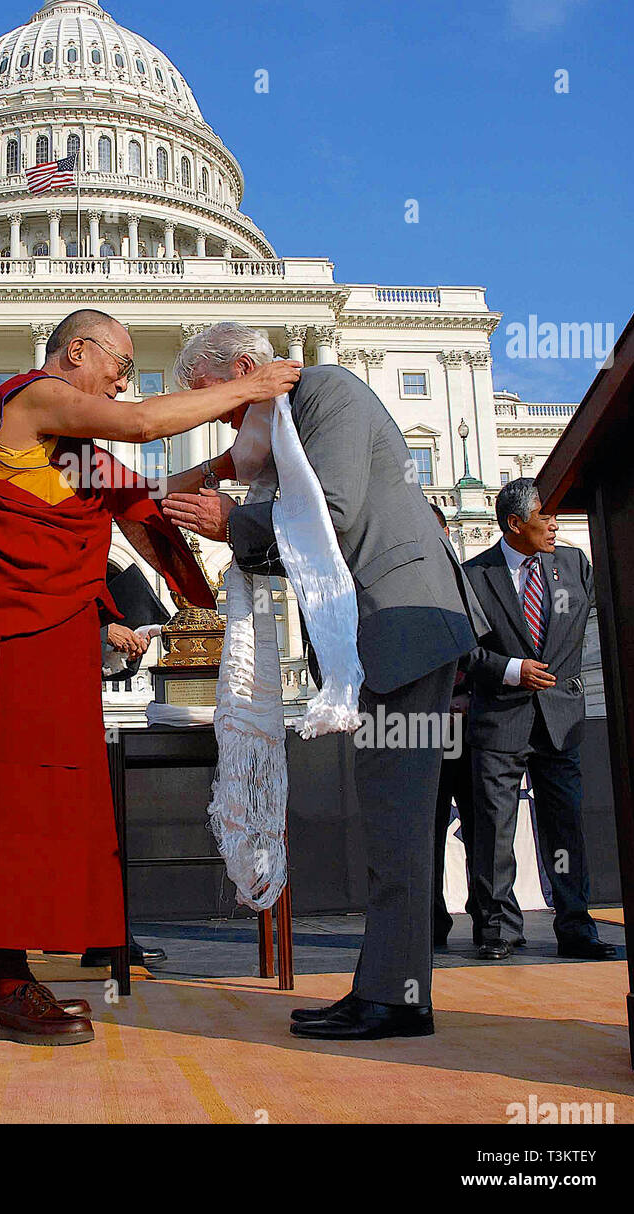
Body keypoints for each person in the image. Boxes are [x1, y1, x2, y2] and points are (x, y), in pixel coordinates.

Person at [0, 310, 300, 1045]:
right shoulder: (30, 399)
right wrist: (250, 385)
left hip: (48, 642)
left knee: (49, 800)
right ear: (77, 353)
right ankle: (1, 985)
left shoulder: (69, 456)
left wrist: (223, 496)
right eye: (120, 366)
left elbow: (144, 506)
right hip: (3, 638)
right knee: (9, 800)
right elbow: (142, 426)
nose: (125, 381)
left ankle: (9, 978)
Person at [161, 322, 489, 1040]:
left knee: (397, 820)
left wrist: (229, 522)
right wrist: (206, 486)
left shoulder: (327, 394)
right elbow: (298, 535)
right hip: (381, 632)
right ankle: (386, 987)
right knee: (391, 819)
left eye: (211, 398)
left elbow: (328, 516)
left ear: (246, 367)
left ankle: (396, 998)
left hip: (400, 625)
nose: (211, 415)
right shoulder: (287, 424)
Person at [460, 477, 614, 961]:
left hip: (560, 721)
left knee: (564, 828)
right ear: (514, 524)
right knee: (493, 832)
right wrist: (511, 670)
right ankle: (498, 931)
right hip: (499, 722)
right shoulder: (473, 574)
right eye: (544, 516)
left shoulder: (574, 565)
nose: (554, 525)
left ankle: (575, 927)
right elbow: (462, 649)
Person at [428, 503, 484, 948]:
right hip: (423, 727)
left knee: (483, 825)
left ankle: (491, 921)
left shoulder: (472, 582)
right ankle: (430, 920)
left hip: (475, 722)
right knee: (426, 829)